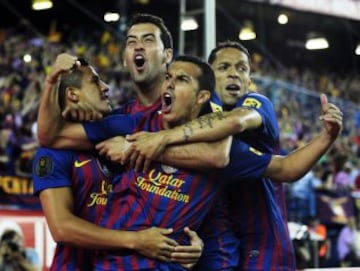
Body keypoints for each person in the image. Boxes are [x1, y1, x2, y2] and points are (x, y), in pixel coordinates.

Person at [37, 51, 342, 270]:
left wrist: (326, 137)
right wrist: (51, 84)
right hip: (108, 262)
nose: (167, 85)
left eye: (180, 80)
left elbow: (286, 168)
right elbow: (51, 136)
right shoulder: (135, 125)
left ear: (202, 98)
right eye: (168, 77)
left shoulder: (224, 149)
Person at [33, 58, 202, 270]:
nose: (106, 87)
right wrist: (135, 240)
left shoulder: (122, 127)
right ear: (73, 95)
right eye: (95, 82)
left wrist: (190, 246)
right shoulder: (52, 154)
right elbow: (62, 227)